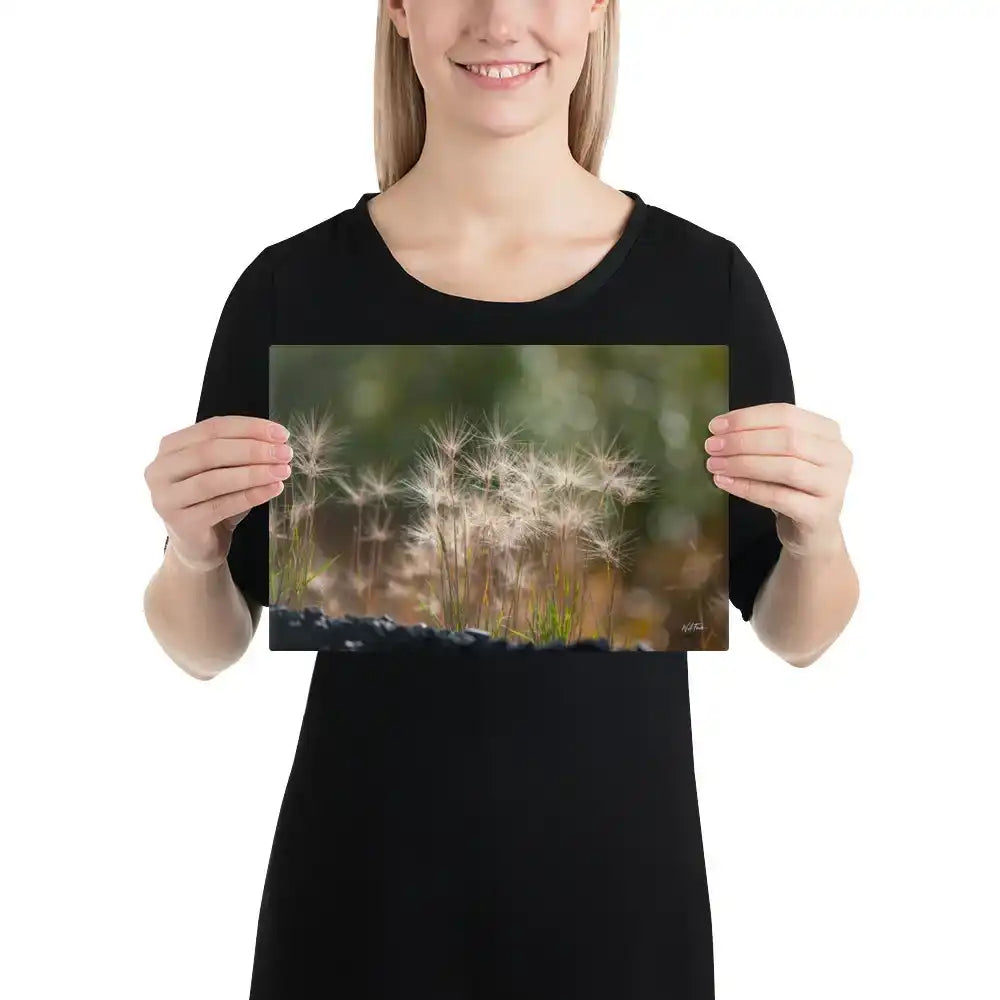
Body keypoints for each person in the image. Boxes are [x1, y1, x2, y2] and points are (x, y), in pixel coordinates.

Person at [143, 0, 859, 995]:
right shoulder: (290, 289)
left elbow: (796, 629)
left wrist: (816, 536)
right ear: (398, 10)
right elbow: (207, 643)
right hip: (357, 922)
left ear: (601, 9)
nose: (500, 18)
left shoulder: (705, 285)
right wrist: (191, 552)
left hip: (622, 927)